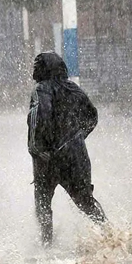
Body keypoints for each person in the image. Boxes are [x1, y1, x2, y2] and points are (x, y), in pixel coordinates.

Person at [27, 52, 108, 247]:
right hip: (76, 156)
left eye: (37, 66)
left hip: (48, 158)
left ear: (43, 69)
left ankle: (46, 244)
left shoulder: (41, 90)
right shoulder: (74, 89)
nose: (34, 70)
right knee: (85, 201)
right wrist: (76, 137)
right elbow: (92, 116)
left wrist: (38, 147)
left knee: (43, 203)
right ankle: (111, 235)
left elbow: (41, 116)